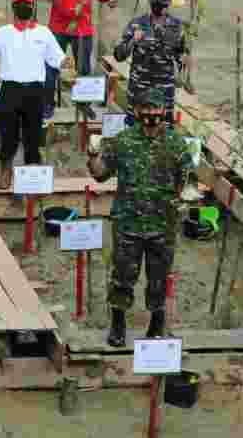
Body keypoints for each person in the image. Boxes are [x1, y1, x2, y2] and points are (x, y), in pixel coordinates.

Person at [88, 88, 194, 347]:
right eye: (145, 110)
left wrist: (178, 202)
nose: (150, 115)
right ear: (136, 112)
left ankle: (156, 323)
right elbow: (100, 174)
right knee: (123, 276)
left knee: (158, 277)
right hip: (128, 223)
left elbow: (186, 181)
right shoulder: (122, 141)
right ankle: (118, 324)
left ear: (164, 112)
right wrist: (92, 155)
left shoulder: (177, 144)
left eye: (155, 110)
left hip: (162, 224)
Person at [0, 0, 66, 190]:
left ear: (33, 8)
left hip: (35, 91)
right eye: (20, 4)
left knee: (33, 134)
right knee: (7, 133)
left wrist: (66, 63)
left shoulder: (43, 33)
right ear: (14, 8)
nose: (24, 8)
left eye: (28, 4)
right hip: (10, 89)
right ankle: (5, 172)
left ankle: (32, 173)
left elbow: (57, 57)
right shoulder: (3, 32)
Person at [31, 0, 115, 120]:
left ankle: (83, 103)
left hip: (82, 30)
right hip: (57, 29)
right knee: (51, 67)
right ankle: (47, 104)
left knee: (84, 68)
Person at [113, 0, 187, 125]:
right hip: (139, 88)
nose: (159, 4)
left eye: (163, 0)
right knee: (135, 127)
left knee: (164, 129)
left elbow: (181, 57)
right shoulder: (137, 24)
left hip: (164, 91)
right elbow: (119, 55)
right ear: (150, 1)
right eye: (156, 0)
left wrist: (184, 63)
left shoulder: (177, 27)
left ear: (169, 2)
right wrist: (133, 41)